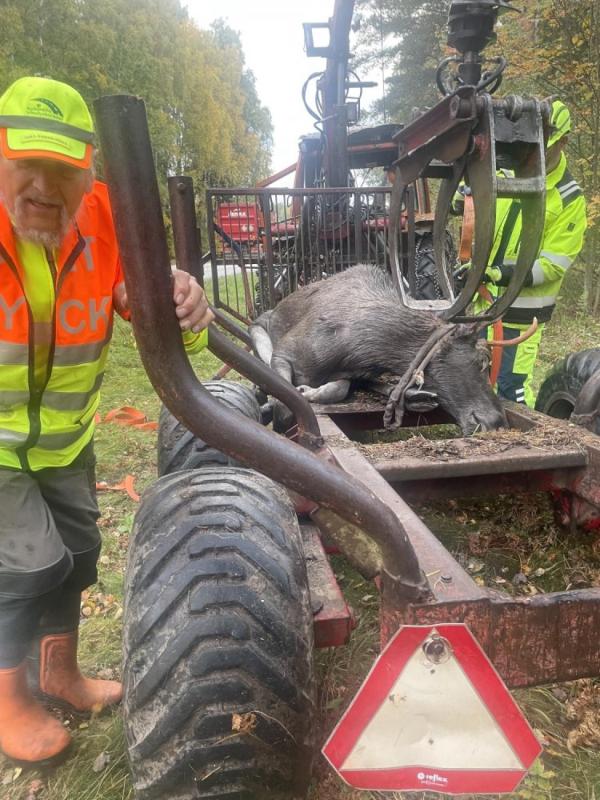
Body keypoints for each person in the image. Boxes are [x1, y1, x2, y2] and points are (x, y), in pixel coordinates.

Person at [0, 76, 214, 765]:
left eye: (63, 170)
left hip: (67, 441)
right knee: (23, 568)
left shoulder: (101, 216)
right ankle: (7, 699)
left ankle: (59, 673)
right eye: (26, 164)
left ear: (89, 172)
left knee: (78, 557)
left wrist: (178, 292)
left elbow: (139, 294)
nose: (43, 186)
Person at [472, 99, 587, 406]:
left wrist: (506, 274)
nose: (532, 154)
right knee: (481, 379)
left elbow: (554, 264)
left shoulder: (568, 198)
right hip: (486, 302)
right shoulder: (509, 172)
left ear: (561, 142)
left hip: (523, 314)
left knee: (511, 387)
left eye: (543, 146)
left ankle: (532, 440)